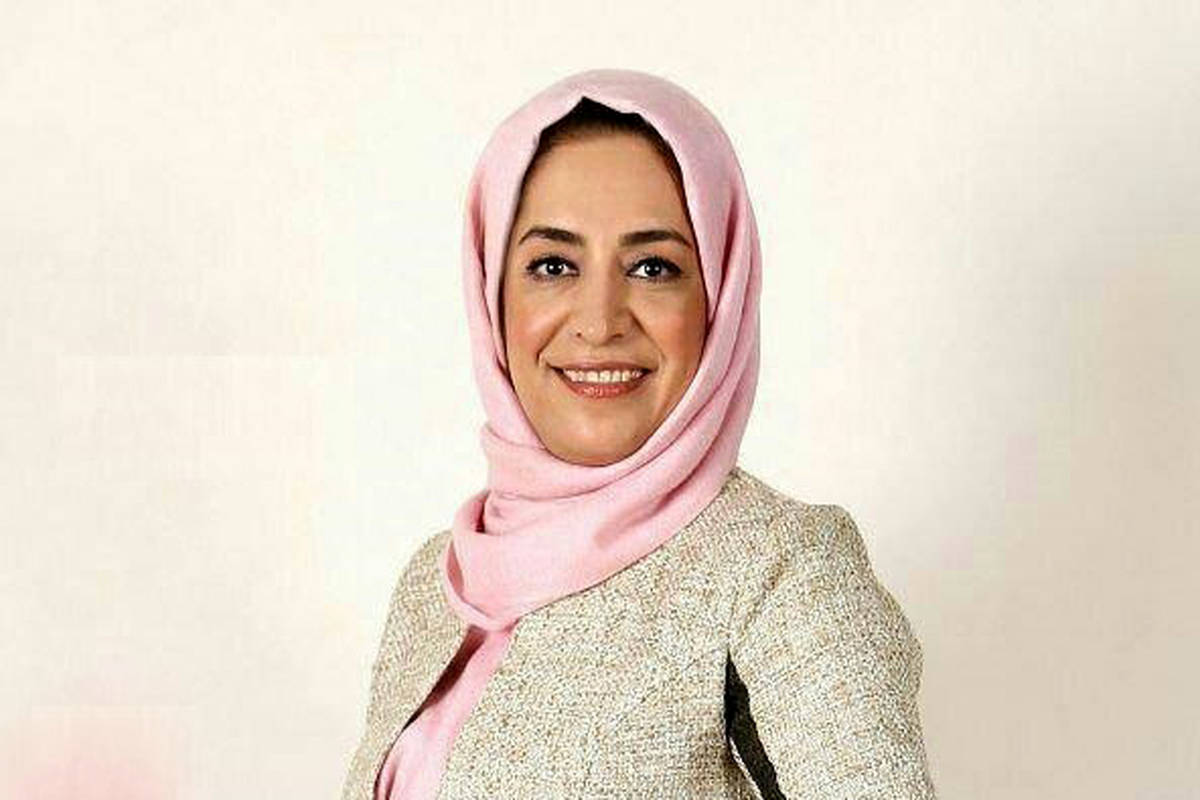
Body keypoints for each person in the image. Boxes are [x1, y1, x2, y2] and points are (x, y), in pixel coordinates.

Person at [341, 68, 937, 799]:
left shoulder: (779, 569)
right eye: (553, 265)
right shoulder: (437, 582)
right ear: (492, 293)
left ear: (718, 297)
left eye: (653, 267)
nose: (600, 321)